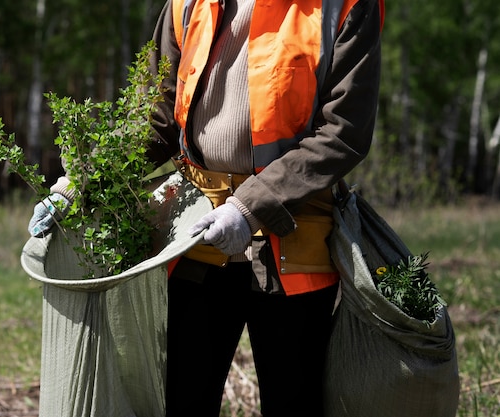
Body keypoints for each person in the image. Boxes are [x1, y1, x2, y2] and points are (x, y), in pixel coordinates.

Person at [29, 0, 384, 415]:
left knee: (294, 401)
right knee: (184, 399)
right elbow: (156, 117)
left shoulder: (342, 6)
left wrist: (248, 207)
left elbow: (343, 133)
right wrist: (82, 182)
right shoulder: (187, 3)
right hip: (194, 237)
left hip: (294, 241)